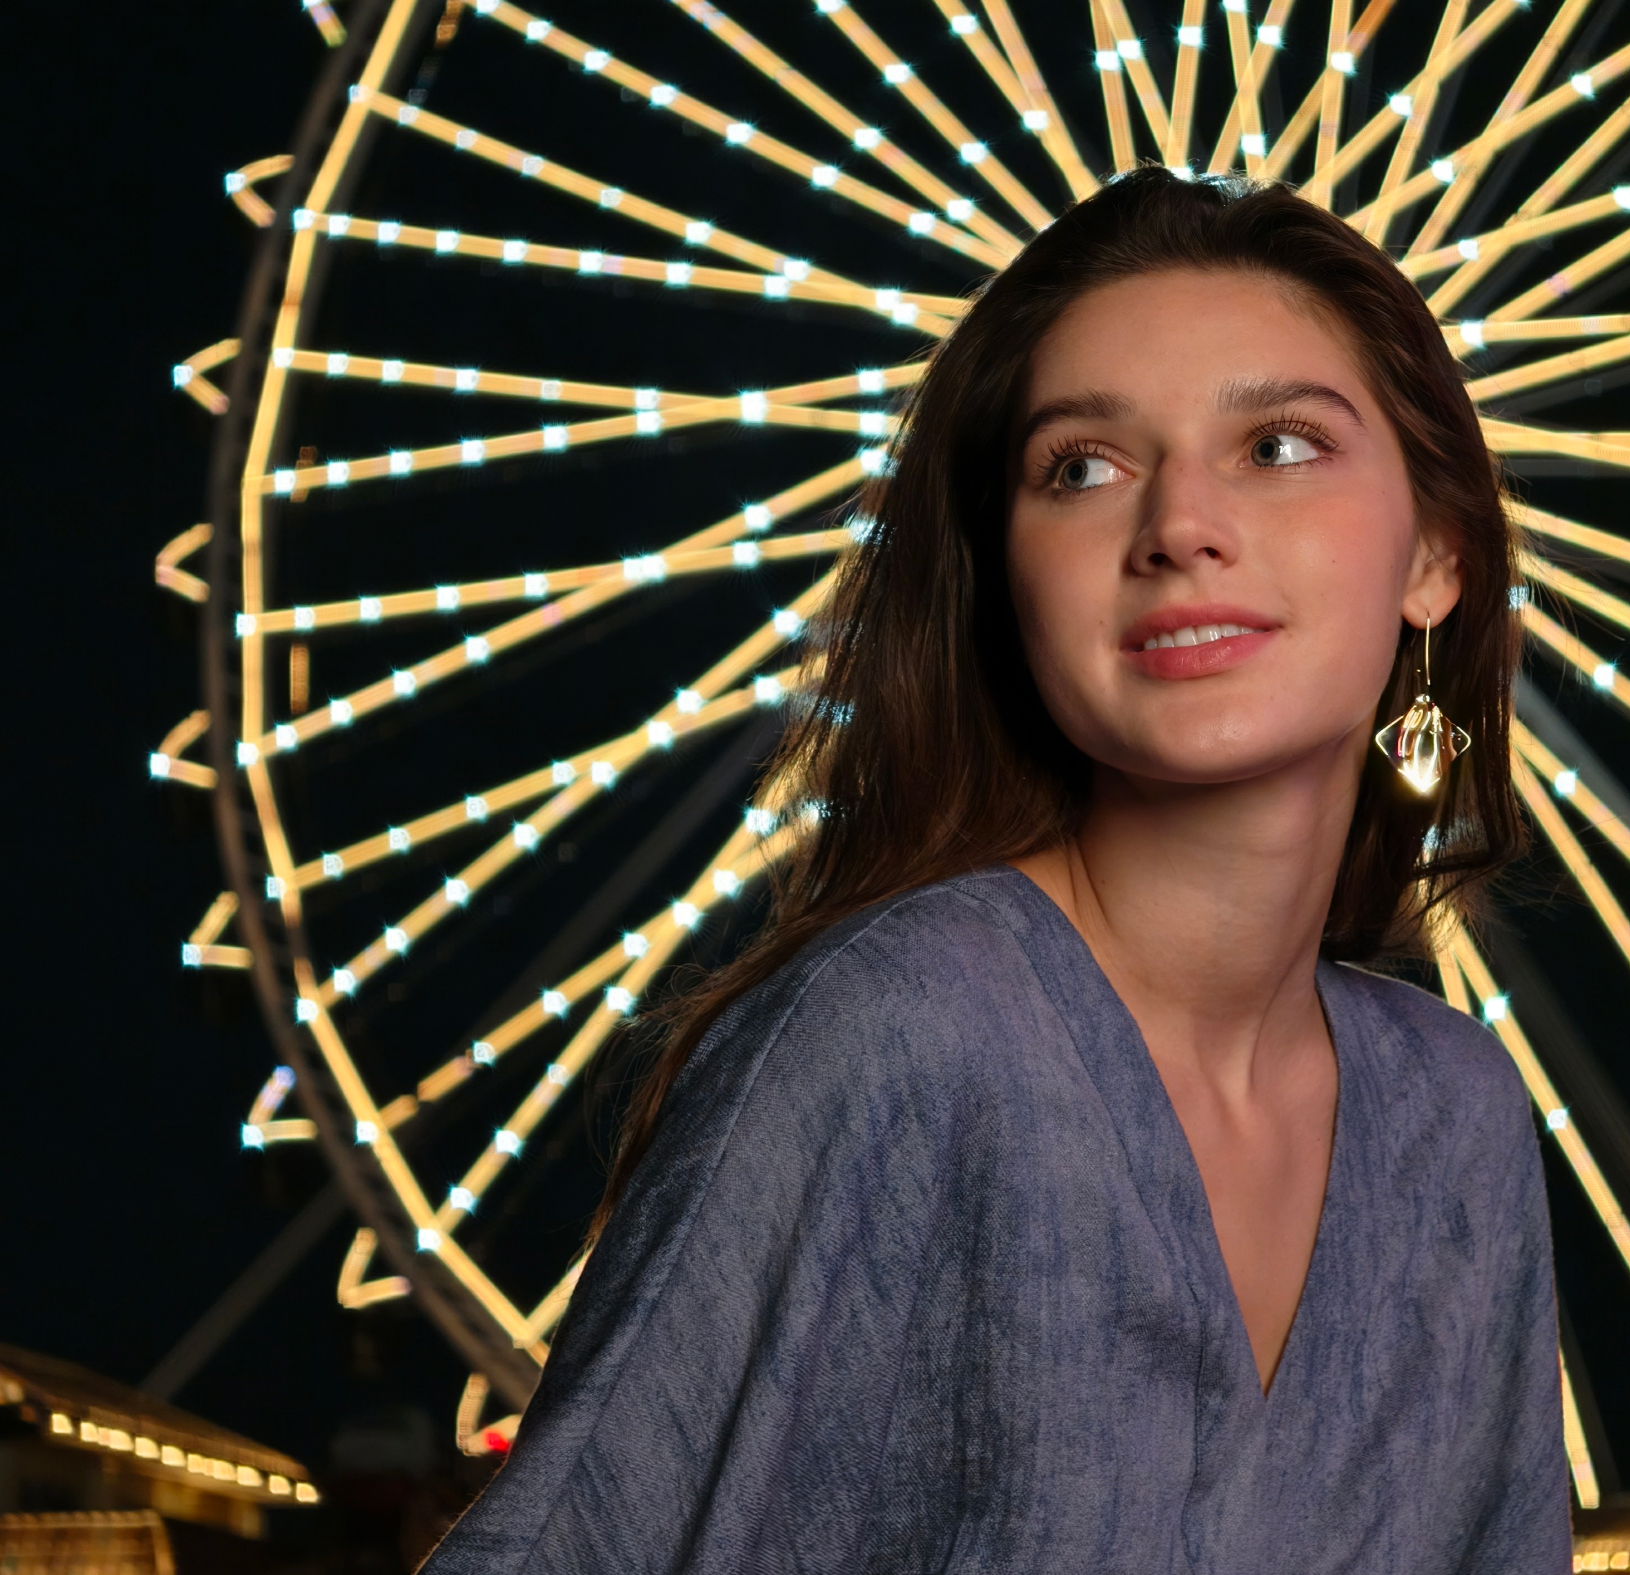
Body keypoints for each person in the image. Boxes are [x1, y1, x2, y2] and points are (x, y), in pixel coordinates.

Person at [422, 169, 1566, 1574]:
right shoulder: (897, 1033)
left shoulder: (1456, 1123)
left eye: (1278, 445)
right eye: (1082, 468)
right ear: (1007, 578)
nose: (1180, 525)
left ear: (1437, 552)